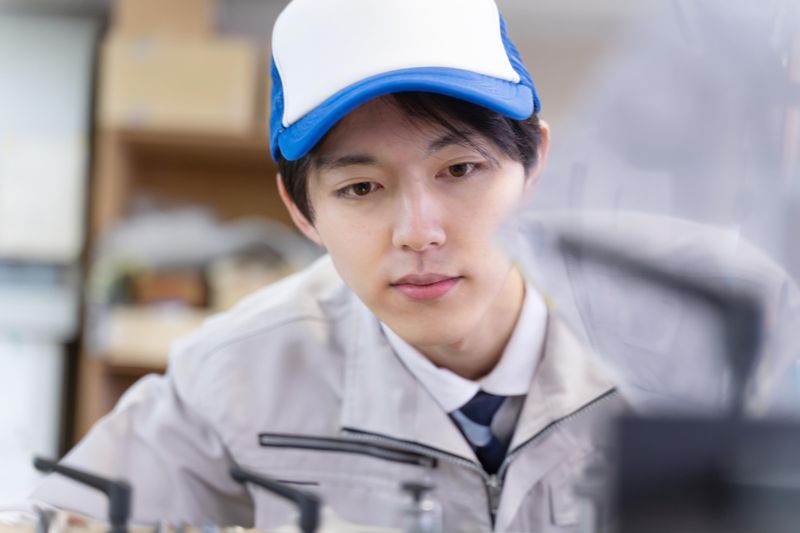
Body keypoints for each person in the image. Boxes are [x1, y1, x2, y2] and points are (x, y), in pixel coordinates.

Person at [30, 0, 622, 531]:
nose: (418, 232)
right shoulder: (240, 372)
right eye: (360, 187)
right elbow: (58, 519)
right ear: (301, 211)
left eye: (460, 169)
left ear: (536, 164)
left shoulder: (663, 353)